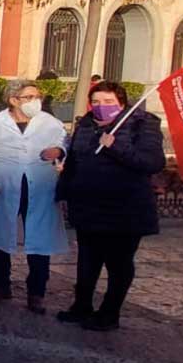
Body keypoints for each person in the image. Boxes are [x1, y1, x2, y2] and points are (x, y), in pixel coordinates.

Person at [55, 81, 165, 331]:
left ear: (122, 103)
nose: (101, 107)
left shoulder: (142, 124)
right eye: (96, 102)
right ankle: (81, 306)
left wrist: (116, 146)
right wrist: (65, 188)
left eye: (108, 102)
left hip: (125, 209)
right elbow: (74, 160)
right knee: (87, 260)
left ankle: (109, 312)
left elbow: (152, 162)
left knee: (119, 263)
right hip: (89, 205)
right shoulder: (85, 124)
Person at [0, 80, 68, 314]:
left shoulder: (50, 123)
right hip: (3, 182)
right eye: (28, 97)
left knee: (39, 237)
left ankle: (36, 292)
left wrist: (59, 151)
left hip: (39, 184)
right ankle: (1, 286)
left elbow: (66, 144)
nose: (35, 101)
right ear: (13, 100)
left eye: (37, 96)